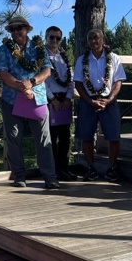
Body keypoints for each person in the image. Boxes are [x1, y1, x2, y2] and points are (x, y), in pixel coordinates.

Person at [0, 15, 59, 189]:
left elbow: (47, 70)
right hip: (11, 98)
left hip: (36, 98)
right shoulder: (3, 49)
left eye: (19, 28)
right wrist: (21, 87)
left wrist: (31, 83)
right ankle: (19, 176)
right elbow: (1, 72)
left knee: (44, 139)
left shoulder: (39, 48)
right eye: (13, 29)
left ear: (27, 29)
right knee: (14, 139)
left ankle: (50, 177)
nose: (16, 32)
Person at [74, 29, 126, 182]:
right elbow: (78, 83)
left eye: (96, 38)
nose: (93, 41)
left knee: (113, 136)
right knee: (86, 136)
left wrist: (109, 99)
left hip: (108, 101)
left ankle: (111, 168)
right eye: (90, 38)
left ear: (103, 39)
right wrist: (90, 101)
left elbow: (118, 81)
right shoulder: (82, 60)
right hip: (88, 101)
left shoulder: (114, 58)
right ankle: (91, 168)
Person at [44, 26, 76, 180]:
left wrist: (69, 98)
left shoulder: (64, 57)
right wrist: (52, 99)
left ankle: (64, 168)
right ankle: (53, 170)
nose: (55, 41)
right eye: (52, 37)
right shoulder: (41, 56)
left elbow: (71, 80)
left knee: (65, 137)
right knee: (51, 137)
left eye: (58, 38)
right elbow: (41, 80)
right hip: (50, 100)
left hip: (65, 101)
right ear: (46, 37)